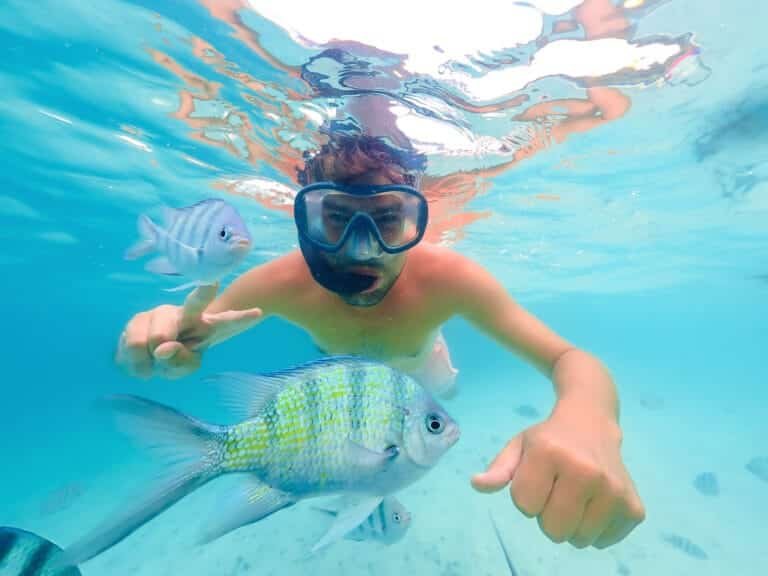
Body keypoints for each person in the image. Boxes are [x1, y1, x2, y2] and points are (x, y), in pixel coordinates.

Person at [116, 133, 645, 549]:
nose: (362, 250)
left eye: (389, 220)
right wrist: (168, 341)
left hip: (426, 372)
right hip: (343, 393)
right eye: (338, 219)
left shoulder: (448, 277)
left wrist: (588, 417)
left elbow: (567, 359)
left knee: (442, 405)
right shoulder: (280, 282)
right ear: (306, 218)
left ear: (417, 218)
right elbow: (192, 339)